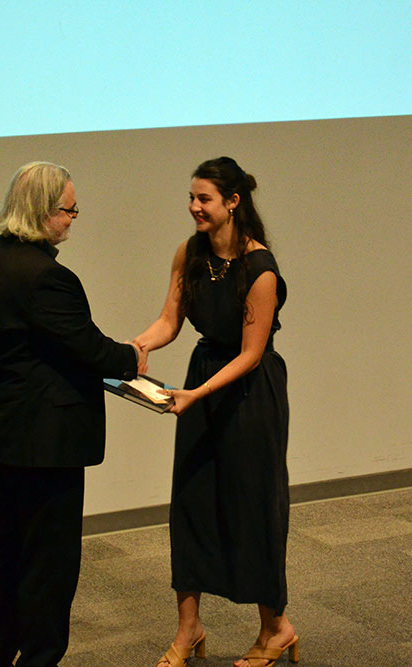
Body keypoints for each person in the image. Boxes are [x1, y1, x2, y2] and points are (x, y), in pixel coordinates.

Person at [0, 161, 145, 666]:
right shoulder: (49, 277)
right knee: (50, 567)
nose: (73, 218)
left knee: (8, 556)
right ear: (43, 212)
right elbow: (87, 349)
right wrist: (130, 356)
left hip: (4, 432)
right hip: (46, 444)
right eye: (69, 209)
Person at [134, 157, 298, 667]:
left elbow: (250, 354)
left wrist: (195, 394)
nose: (194, 208)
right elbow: (169, 320)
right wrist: (136, 346)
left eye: (204, 199)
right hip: (204, 378)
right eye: (191, 198)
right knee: (192, 504)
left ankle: (275, 629)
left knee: (253, 507)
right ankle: (189, 629)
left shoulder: (260, 268)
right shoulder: (190, 253)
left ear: (233, 202)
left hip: (248, 393)